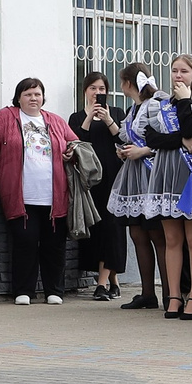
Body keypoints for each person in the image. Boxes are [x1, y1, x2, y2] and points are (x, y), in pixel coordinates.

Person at [0, 77, 77, 304]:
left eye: (37, 94)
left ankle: (54, 291)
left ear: (43, 97)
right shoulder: (5, 118)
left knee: (54, 244)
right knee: (25, 241)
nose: (33, 98)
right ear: (18, 97)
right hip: (20, 195)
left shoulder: (55, 120)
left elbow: (76, 144)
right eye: (28, 94)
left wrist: (71, 151)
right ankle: (24, 291)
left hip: (54, 196)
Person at [144, 55, 192, 318]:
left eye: (184, 71)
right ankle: (174, 295)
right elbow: (151, 137)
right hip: (166, 172)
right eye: (174, 70)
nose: (178, 75)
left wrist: (185, 100)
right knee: (172, 239)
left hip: (191, 175)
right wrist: (180, 140)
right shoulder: (159, 105)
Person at [109, 62, 164, 307]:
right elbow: (124, 137)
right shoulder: (134, 109)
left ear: (128, 83)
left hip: (151, 174)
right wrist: (125, 151)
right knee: (138, 233)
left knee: (156, 234)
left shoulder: (154, 105)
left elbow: (165, 138)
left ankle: (171, 291)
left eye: (122, 82)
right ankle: (147, 292)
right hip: (134, 176)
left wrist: (142, 151)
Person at [67, 73, 126, 300]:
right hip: (90, 181)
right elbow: (76, 141)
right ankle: (113, 280)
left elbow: (123, 139)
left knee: (112, 228)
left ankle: (101, 284)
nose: (97, 93)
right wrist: (89, 117)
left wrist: (108, 119)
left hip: (114, 178)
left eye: (101, 88)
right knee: (98, 230)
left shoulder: (118, 113)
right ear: (85, 91)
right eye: (92, 88)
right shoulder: (77, 117)